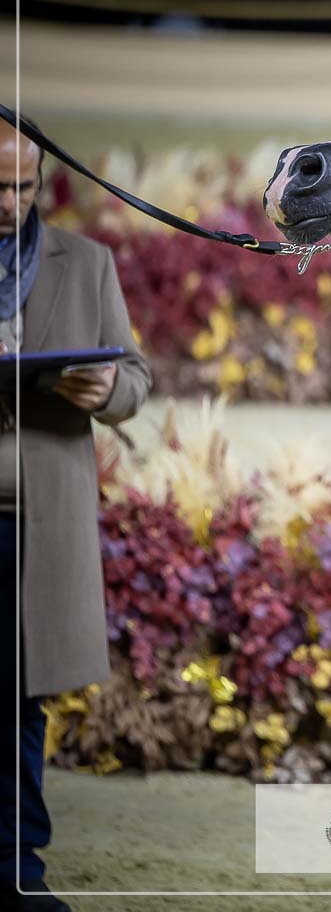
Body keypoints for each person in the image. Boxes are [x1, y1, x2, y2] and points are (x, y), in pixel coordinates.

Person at [1, 117, 152, 911]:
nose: (9, 201)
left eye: (22, 186)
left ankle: (19, 868)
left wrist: (109, 389)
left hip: (41, 524)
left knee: (23, 698)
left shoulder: (87, 263)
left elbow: (135, 376)